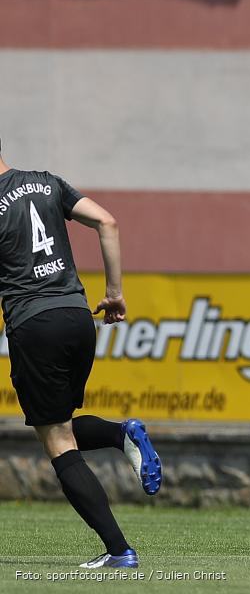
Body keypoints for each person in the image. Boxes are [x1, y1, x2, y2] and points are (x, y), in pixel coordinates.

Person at [0, 141, 162, 568]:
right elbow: (107, 222)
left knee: (56, 441)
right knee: (61, 427)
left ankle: (119, 550)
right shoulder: (46, 182)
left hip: (34, 324)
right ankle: (120, 435)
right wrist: (115, 293)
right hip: (77, 315)